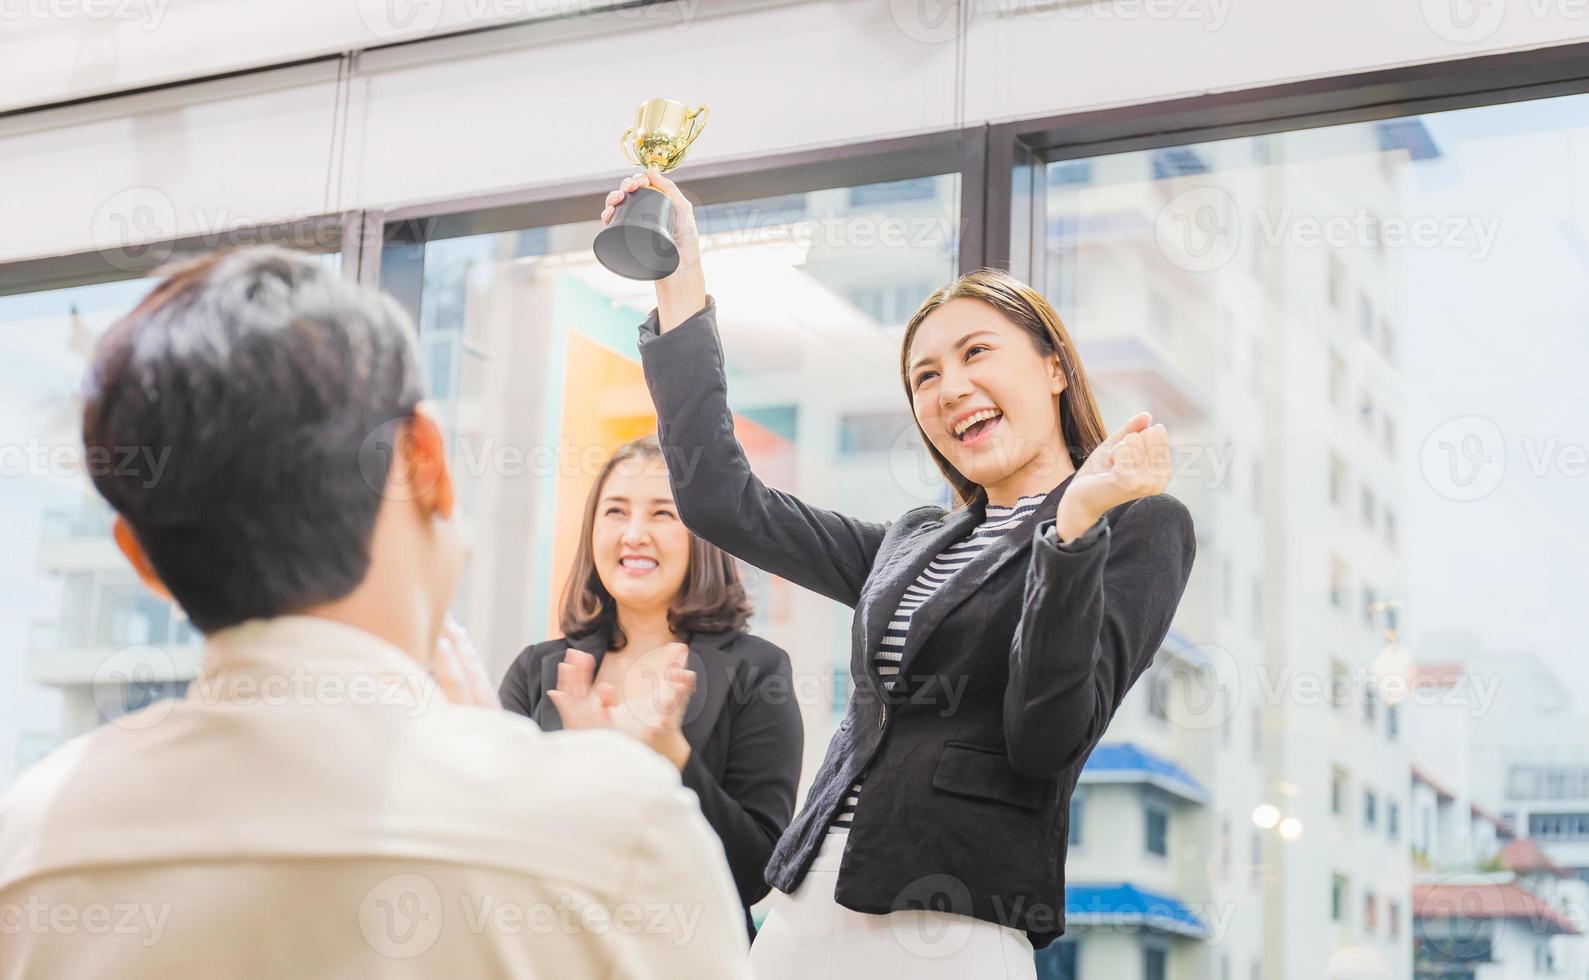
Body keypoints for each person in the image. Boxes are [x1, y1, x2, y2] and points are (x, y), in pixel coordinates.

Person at [0, 246, 750, 979]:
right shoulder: (619, 832)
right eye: (615, 510)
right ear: (424, 458)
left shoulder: (29, 849)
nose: (633, 533)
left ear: (139, 559)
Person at [599, 169, 1198, 977]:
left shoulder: (1137, 526)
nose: (950, 388)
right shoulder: (911, 541)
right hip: (805, 905)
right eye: (923, 377)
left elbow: (1046, 738)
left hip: (954, 919)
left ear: (1054, 367)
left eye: (976, 353)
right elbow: (719, 501)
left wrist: (1070, 529)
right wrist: (681, 278)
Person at [499, 434, 803, 941]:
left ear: (700, 535)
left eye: (662, 514)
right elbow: (500, 835)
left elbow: (753, 873)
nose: (634, 534)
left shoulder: (757, 671)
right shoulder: (538, 670)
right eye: (615, 512)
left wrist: (669, 752)